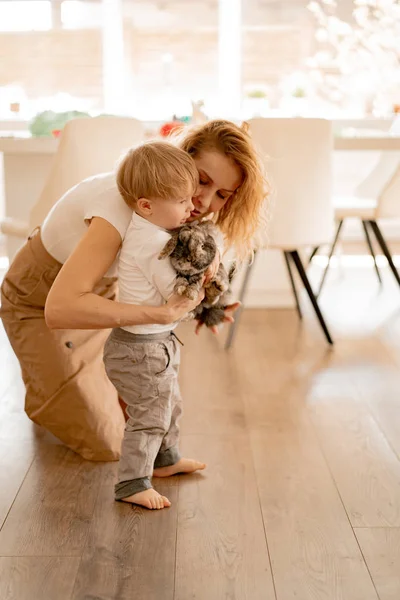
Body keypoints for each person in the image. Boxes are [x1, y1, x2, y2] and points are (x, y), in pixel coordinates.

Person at [0, 120, 266, 462]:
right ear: (181, 158)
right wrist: (160, 315)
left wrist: (202, 303)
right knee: (107, 443)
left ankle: (63, 382)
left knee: (148, 413)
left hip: (104, 305)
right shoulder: (121, 205)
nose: (203, 201)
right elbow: (59, 309)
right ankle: (44, 383)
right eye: (202, 180)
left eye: (222, 195)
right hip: (40, 303)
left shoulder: (172, 207)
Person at [104, 141, 212, 510]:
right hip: (141, 350)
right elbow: (177, 296)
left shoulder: (150, 230)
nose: (191, 207)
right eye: (182, 202)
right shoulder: (152, 244)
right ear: (147, 205)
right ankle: (132, 482)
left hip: (152, 343)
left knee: (169, 404)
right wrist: (205, 276)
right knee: (149, 417)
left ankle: (165, 460)